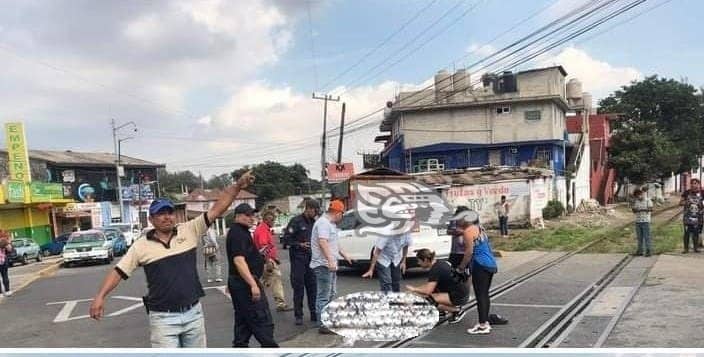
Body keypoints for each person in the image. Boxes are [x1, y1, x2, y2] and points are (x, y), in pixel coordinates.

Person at [88, 171, 254, 348]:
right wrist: (100, 297)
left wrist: (237, 186)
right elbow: (118, 272)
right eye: (160, 213)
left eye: (169, 212)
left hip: (193, 314)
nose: (167, 217)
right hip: (163, 319)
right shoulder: (140, 246)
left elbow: (217, 208)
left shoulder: (189, 230)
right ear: (151, 219)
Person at [227, 202, 278, 348]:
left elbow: (236, 259)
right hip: (245, 284)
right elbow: (238, 260)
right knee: (261, 319)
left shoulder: (240, 232)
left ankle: (240, 348)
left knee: (243, 321)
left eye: (253, 215)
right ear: (238, 216)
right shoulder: (238, 233)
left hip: (238, 282)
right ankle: (271, 349)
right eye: (248, 215)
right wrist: (253, 284)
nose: (252, 218)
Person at [310, 199, 353, 334]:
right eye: (342, 213)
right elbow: (323, 242)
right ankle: (323, 324)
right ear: (337, 212)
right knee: (324, 294)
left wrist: (344, 255)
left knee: (331, 292)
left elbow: (334, 243)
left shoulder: (330, 224)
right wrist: (330, 260)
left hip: (329, 263)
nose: (342, 216)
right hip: (323, 264)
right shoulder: (323, 223)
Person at [455, 210, 498, 335]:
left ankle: (483, 325)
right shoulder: (479, 228)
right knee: (484, 294)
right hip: (490, 263)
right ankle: (484, 322)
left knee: (480, 295)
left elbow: (468, 253)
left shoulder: (468, 232)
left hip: (480, 264)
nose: (458, 221)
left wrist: (461, 267)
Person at [405, 248, 468, 324]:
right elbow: (429, 285)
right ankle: (441, 311)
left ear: (425, 260)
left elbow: (428, 291)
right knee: (430, 291)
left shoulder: (435, 270)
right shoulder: (439, 263)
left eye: (419, 261)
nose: (418, 263)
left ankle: (457, 311)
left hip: (459, 296)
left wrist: (414, 290)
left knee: (428, 299)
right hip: (460, 291)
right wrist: (415, 290)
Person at [283, 198, 320, 326]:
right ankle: (298, 315)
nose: (316, 213)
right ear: (308, 208)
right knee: (298, 288)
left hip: (311, 260)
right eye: (315, 211)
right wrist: (299, 244)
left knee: (313, 288)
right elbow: (286, 240)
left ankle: (314, 313)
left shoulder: (314, 222)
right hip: (298, 260)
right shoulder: (296, 221)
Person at [253, 210, 292, 312]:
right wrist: (268, 261)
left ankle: (253, 300)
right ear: (266, 220)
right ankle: (280, 303)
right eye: (272, 220)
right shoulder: (262, 230)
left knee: (264, 282)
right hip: (265, 260)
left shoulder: (264, 229)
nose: (273, 221)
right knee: (275, 278)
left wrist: (274, 258)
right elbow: (263, 246)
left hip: (264, 260)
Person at [361, 227, 412, 293]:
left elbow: (406, 246)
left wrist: (403, 261)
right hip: (383, 258)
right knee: (387, 282)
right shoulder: (386, 234)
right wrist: (371, 269)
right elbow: (376, 253)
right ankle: (387, 300)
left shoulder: (406, 232)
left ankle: (396, 300)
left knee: (396, 281)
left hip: (396, 258)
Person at [680, 178, 703, 253]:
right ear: (691, 185)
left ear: (698, 184)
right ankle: (686, 249)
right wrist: (686, 202)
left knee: (696, 233)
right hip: (687, 217)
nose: (694, 185)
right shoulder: (686, 193)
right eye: (692, 183)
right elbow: (680, 203)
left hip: (698, 217)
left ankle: (695, 248)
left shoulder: (702, 192)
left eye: (695, 183)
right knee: (686, 233)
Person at [631, 189, 653, 256]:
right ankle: (640, 251)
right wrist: (634, 209)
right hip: (638, 221)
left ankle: (648, 250)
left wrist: (640, 210)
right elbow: (634, 210)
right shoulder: (636, 201)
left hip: (646, 221)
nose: (638, 197)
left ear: (641, 194)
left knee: (647, 237)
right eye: (636, 196)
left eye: (638, 195)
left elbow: (651, 209)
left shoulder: (648, 200)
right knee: (639, 237)